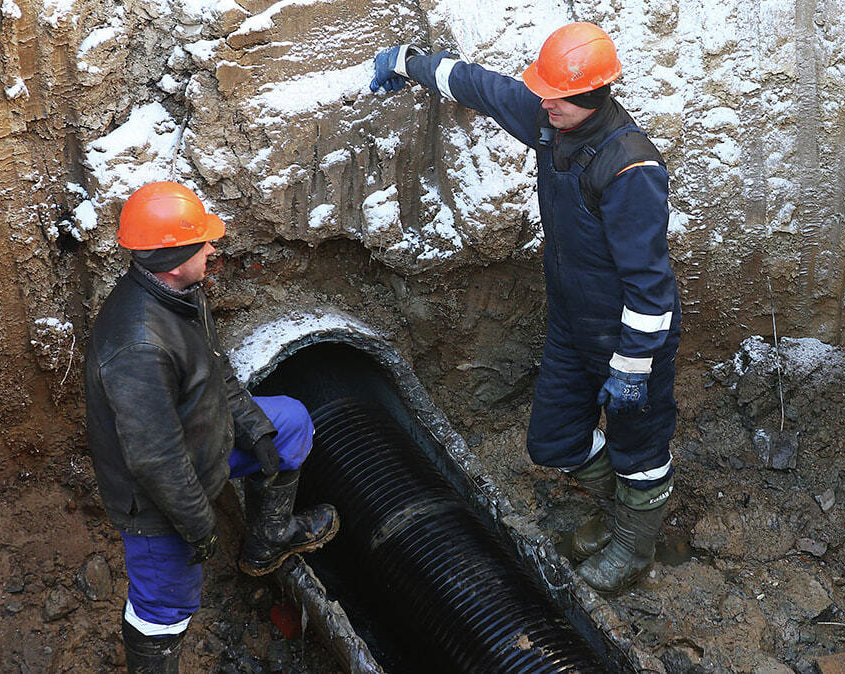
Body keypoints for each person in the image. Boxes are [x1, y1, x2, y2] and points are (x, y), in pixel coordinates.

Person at [370, 22, 681, 595]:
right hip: (571, 320)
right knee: (554, 440)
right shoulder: (550, 120)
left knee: (640, 447)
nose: (543, 103)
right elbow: (480, 87)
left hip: (630, 335)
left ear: (591, 98)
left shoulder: (630, 169)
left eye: (555, 97)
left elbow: (651, 287)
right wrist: (406, 61)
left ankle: (636, 546)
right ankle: (626, 516)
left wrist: (633, 367)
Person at [84, 181, 339, 672]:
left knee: (289, 423)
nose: (212, 248)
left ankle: (269, 538)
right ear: (176, 257)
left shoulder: (179, 294)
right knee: (165, 605)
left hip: (202, 445)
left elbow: (214, 367)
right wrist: (200, 527)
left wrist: (256, 430)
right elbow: (155, 461)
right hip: (158, 498)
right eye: (203, 242)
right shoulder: (138, 346)